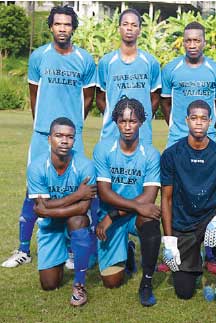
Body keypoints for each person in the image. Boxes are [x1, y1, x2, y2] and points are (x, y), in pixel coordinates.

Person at [5, 6, 95, 269]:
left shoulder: (85, 59)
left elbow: (87, 97)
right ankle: (23, 249)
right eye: (58, 24)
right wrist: (43, 123)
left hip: (71, 135)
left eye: (68, 24)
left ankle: (70, 249)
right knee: (32, 190)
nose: (63, 29)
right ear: (51, 27)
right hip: (43, 133)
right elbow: (35, 94)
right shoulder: (39, 57)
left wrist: (74, 124)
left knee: (75, 189)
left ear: (73, 28)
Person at [160, 100, 216, 308]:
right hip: (183, 224)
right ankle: (194, 261)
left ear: (210, 122)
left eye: (203, 118)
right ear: (187, 120)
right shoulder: (171, 154)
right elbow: (166, 199)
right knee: (184, 292)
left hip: (208, 221)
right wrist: (168, 239)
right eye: (194, 118)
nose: (198, 123)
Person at [92, 97, 161, 306]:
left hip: (127, 216)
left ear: (141, 122)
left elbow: (149, 198)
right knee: (111, 283)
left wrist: (113, 217)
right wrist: (111, 216)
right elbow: (104, 194)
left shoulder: (151, 154)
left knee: (150, 221)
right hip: (109, 215)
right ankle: (128, 249)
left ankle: (147, 283)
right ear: (116, 122)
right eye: (123, 121)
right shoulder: (103, 149)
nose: (128, 127)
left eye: (133, 121)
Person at [28, 117, 96, 306]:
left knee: (78, 220)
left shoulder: (85, 166)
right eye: (59, 136)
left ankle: (79, 283)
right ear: (49, 139)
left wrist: (48, 209)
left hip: (75, 221)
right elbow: (41, 209)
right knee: (49, 284)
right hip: (50, 227)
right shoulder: (36, 167)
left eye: (69, 137)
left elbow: (83, 208)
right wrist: (76, 195)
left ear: (75, 140)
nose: (64, 141)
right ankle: (72, 251)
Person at [95, 8, 161, 145]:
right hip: (111, 133)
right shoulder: (106, 62)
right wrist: (115, 117)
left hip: (142, 134)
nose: (129, 28)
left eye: (134, 25)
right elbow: (100, 97)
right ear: (119, 28)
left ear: (140, 30)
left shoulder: (151, 62)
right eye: (125, 24)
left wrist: (142, 117)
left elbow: (155, 97)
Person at [161, 21, 216, 148]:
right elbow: (165, 102)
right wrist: (173, 126)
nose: (192, 45)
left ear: (204, 43)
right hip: (177, 138)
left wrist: (211, 126)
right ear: (183, 43)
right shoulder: (170, 69)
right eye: (188, 41)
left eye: (197, 41)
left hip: (208, 139)